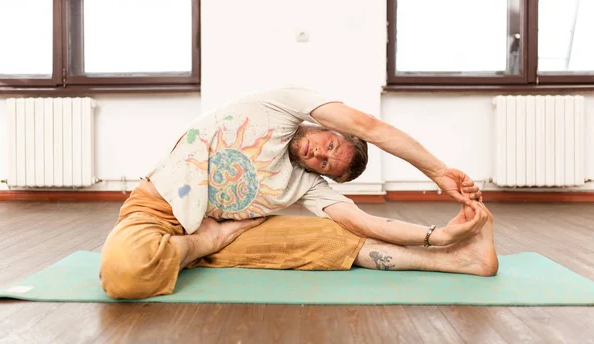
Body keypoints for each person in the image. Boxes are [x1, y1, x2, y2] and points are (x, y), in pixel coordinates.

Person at [100, 87, 496, 300]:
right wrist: (438, 172)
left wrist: (438, 235)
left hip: (232, 232)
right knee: (124, 271)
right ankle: (198, 249)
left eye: (326, 164)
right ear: (328, 128)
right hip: (159, 210)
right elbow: (370, 125)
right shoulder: (283, 105)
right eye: (331, 145)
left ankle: (459, 258)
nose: (320, 154)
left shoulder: (305, 183)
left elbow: (362, 221)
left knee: (343, 237)